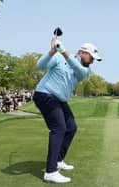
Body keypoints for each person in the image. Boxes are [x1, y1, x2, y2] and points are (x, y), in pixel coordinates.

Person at [33, 37, 102, 183]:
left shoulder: (85, 70)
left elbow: (76, 68)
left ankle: (58, 161)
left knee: (71, 127)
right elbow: (40, 65)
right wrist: (52, 51)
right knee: (59, 128)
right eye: (91, 57)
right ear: (82, 53)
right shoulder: (58, 57)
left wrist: (63, 51)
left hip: (59, 99)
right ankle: (50, 172)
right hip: (45, 94)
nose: (92, 61)